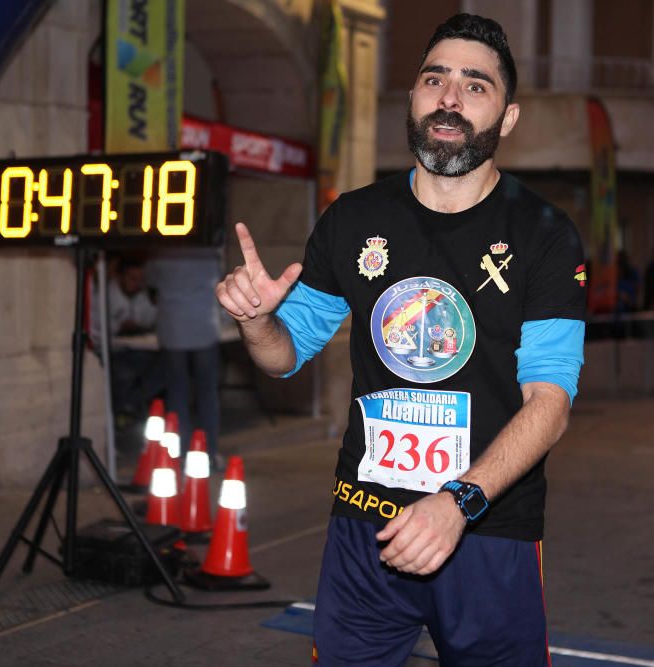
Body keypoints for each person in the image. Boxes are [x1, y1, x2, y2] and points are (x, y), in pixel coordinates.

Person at [217, 14, 584, 665]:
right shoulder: (354, 219)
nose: (450, 96)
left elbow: (549, 404)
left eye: (476, 85)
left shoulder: (543, 234)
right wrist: (256, 321)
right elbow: (283, 356)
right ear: (413, 98)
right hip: (366, 528)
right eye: (434, 78)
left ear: (509, 116)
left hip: (489, 531)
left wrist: (459, 501)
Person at [146, 247, 224, 467]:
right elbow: (220, 276)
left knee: (177, 392)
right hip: (203, 326)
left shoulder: (161, 252)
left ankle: (178, 452)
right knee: (207, 392)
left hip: (173, 328)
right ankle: (209, 452)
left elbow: (151, 284)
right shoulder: (208, 251)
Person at [91, 257, 162, 420]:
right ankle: (125, 409)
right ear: (120, 277)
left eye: (139, 280)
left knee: (166, 369)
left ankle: (130, 404)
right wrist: (119, 327)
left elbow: (150, 318)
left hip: (138, 350)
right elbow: (97, 326)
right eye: (132, 279)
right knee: (124, 374)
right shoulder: (104, 294)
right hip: (111, 351)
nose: (136, 283)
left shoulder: (141, 296)